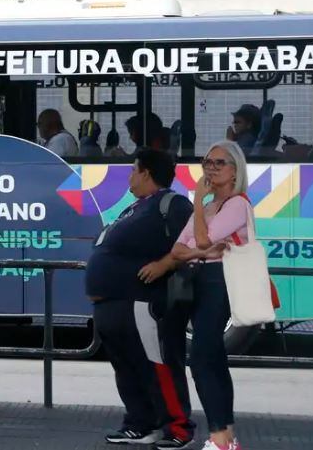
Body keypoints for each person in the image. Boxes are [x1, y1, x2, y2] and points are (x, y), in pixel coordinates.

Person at [86, 148, 196, 449]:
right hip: (112, 304)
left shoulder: (171, 204)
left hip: (141, 302)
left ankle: (178, 427)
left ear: (146, 172)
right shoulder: (134, 208)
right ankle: (139, 423)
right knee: (127, 366)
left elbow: (192, 242)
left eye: (133, 170)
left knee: (157, 365)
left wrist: (164, 264)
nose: (129, 176)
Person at [171, 140, 250, 450]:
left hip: (219, 281)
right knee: (214, 359)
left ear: (235, 171)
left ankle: (219, 438)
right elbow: (178, 250)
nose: (212, 168)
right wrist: (199, 248)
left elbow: (202, 240)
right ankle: (227, 438)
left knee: (201, 358)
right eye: (208, 162)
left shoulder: (237, 204)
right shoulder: (206, 208)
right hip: (200, 280)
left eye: (220, 163)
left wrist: (197, 206)